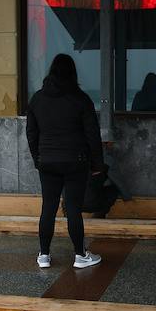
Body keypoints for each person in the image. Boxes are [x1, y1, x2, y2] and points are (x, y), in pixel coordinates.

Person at [26, 54, 104, 269]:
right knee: (73, 208)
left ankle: (43, 255)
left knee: (48, 207)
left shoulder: (37, 99)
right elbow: (92, 135)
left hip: (47, 161)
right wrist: (97, 164)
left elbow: (31, 133)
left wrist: (38, 158)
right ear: (72, 73)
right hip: (75, 162)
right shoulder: (81, 99)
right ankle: (80, 255)